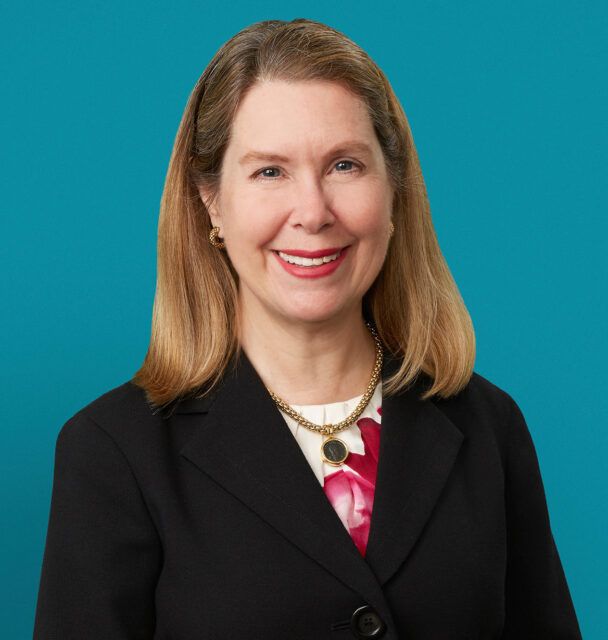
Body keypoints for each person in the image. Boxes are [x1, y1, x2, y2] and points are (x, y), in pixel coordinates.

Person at [33, 17, 582, 640]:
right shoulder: (112, 451)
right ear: (211, 200)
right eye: (270, 171)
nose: (314, 213)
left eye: (345, 165)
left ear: (393, 189)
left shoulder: (488, 426)